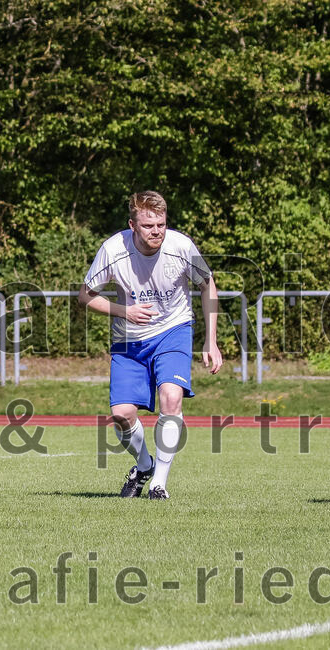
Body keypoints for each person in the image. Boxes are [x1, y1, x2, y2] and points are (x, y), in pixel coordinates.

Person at [79, 191, 222, 500]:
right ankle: (144, 465)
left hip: (174, 330)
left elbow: (207, 283)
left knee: (171, 398)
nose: (156, 231)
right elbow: (85, 295)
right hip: (129, 338)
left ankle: (159, 483)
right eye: (148, 225)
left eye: (161, 224)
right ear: (133, 225)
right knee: (122, 414)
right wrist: (124, 311)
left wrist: (211, 340)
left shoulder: (182, 247)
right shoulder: (113, 250)